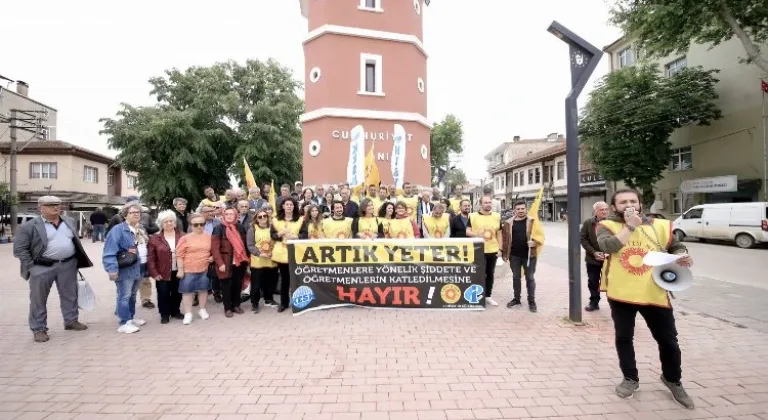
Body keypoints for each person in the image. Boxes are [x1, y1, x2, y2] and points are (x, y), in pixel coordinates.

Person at [596, 189, 694, 408]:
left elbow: (675, 245)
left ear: (640, 204)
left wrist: (684, 254)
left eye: (633, 201)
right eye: (623, 202)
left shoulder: (659, 225)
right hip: (621, 292)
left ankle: (672, 379)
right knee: (624, 338)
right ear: (614, 208)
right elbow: (608, 246)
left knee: (668, 340)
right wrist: (631, 225)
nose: (628, 204)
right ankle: (630, 378)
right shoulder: (607, 226)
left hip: (654, 291)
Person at [13, 195, 92, 343]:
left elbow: (74, 241)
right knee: (38, 299)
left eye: (57, 204)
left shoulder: (69, 221)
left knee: (70, 294)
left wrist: (75, 260)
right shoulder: (29, 226)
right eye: (50, 205)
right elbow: (19, 249)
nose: (56, 207)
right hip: (41, 267)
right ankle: (39, 328)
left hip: (68, 264)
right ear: (40, 208)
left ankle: (71, 321)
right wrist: (31, 266)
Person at [103, 203, 147, 334]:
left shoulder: (140, 228)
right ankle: (123, 322)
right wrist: (112, 269)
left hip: (140, 266)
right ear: (125, 215)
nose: (136, 214)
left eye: (138, 212)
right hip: (126, 268)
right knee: (124, 295)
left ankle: (130, 318)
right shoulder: (118, 230)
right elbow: (109, 251)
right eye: (132, 212)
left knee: (132, 295)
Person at [500, 201, 544, 313]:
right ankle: (516, 299)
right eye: (518, 209)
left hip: (529, 255)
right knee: (515, 277)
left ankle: (531, 301)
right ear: (515, 210)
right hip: (514, 255)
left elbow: (540, 236)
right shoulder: (509, 223)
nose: (520, 211)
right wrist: (505, 254)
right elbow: (505, 239)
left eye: (522, 209)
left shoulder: (532, 221)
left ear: (526, 209)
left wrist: (535, 243)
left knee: (530, 278)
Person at [147, 210, 184, 324]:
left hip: (179, 270)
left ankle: (175, 311)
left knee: (177, 292)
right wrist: (154, 273)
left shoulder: (182, 236)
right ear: (161, 224)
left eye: (171, 221)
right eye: (165, 222)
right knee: (163, 293)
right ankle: (164, 314)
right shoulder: (155, 238)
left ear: (175, 222)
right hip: (162, 271)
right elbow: (151, 258)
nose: (168, 223)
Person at [176, 213, 214, 324]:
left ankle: (202, 309)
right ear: (191, 225)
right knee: (187, 292)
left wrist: (212, 257)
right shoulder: (185, 238)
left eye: (201, 224)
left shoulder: (209, 237)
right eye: (196, 224)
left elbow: (213, 250)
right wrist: (180, 269)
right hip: (188, 269)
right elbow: (179, 255)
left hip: (204, 268)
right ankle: (188, 313)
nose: (199, 227)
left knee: (203, 289)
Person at [211, 208, 249, 318]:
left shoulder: (240, 227)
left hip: (239, 262)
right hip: (225, 262)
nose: (229, 216)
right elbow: (215, 249)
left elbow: (244, 244)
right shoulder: (218, 228)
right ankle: (227, 308)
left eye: (231, 214)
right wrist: (220, 263)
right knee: (226, 286)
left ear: (236, 215)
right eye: (226, 214)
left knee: (237, 285)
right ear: (223, 215)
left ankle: (236, 305)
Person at [466, 196, 502, 306]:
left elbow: (499, 233)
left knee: (490, 273)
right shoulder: (472, 216)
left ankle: (488, 296)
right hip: (478, 249)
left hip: (493, 249)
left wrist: (501, 249)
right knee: (478, 274)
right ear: (480, 204)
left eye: (490, 202)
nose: (488, 204)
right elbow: (467, 232)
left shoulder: (497, 216)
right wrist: (477, 234)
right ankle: (476, 296)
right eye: (485, 202)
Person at [246, 208, 279, 312]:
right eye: (260, 216)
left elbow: (277, 242)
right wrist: (260, 253)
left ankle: (268, 299)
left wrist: (274, 252)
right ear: (256, 219)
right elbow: (250, 245)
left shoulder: (272, 228)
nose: (263, 218)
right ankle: (254, 303)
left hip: (271, 260)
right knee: (256, 284)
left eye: (265, 216)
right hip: (258, 262)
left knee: (271, 282)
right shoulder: (252, 229)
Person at [580, 201, 609, 311]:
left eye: (606, 209)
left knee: (612, 282)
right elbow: (583, 239)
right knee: (593, 281)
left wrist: (608, 252)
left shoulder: (613, 222)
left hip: (610, 258)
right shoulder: (588, 223)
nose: (605, 211)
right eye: (602, 210)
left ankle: (615, 305)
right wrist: (593, 252)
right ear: (595, 211)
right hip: (593, 259)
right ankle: (594, 302)